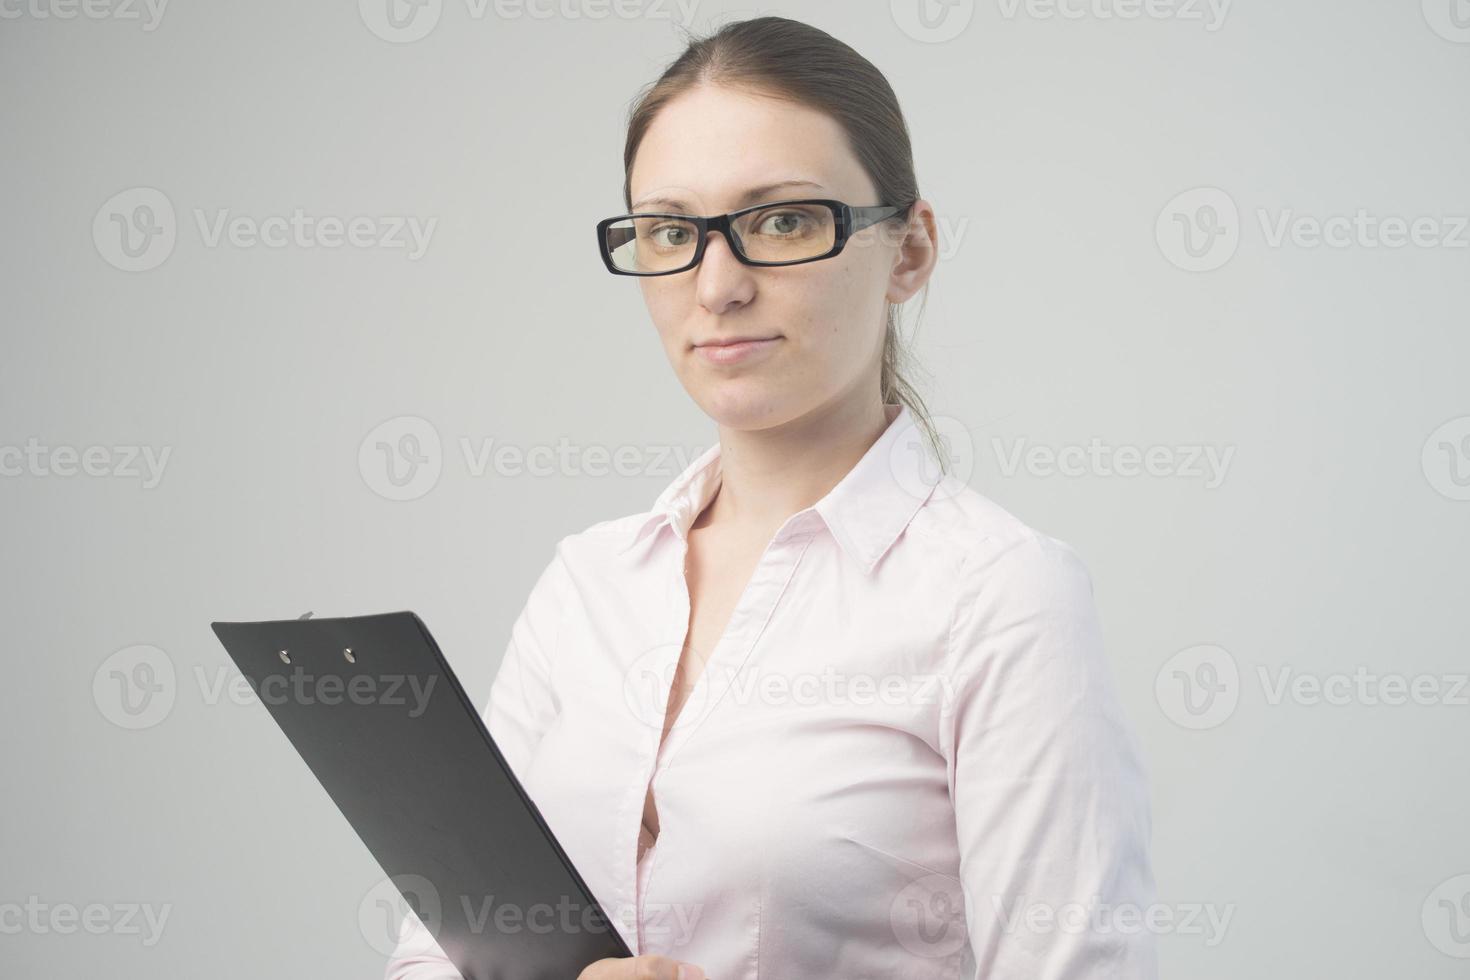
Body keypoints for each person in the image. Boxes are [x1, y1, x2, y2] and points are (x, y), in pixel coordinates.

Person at [387, 15, 1157, 980]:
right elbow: (433, 959)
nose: (716, 286)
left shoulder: (1000, 598)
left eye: (781, 221)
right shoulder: (587, 582)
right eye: (671, 231)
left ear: (909, 252)